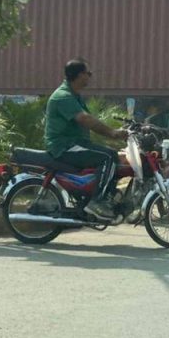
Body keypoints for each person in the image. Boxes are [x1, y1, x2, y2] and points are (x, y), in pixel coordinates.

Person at [45, 58, 127, 221]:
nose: (90, 76)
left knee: (112, 154)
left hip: (77, 143)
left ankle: (107, 197)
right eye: (88, 73)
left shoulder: (75, 96)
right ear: (80, 75)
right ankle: (96, 202)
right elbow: (85, 119)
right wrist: (112, 132)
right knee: (106, 157)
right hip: (64, 146)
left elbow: (88, 121)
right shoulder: (63, 96)